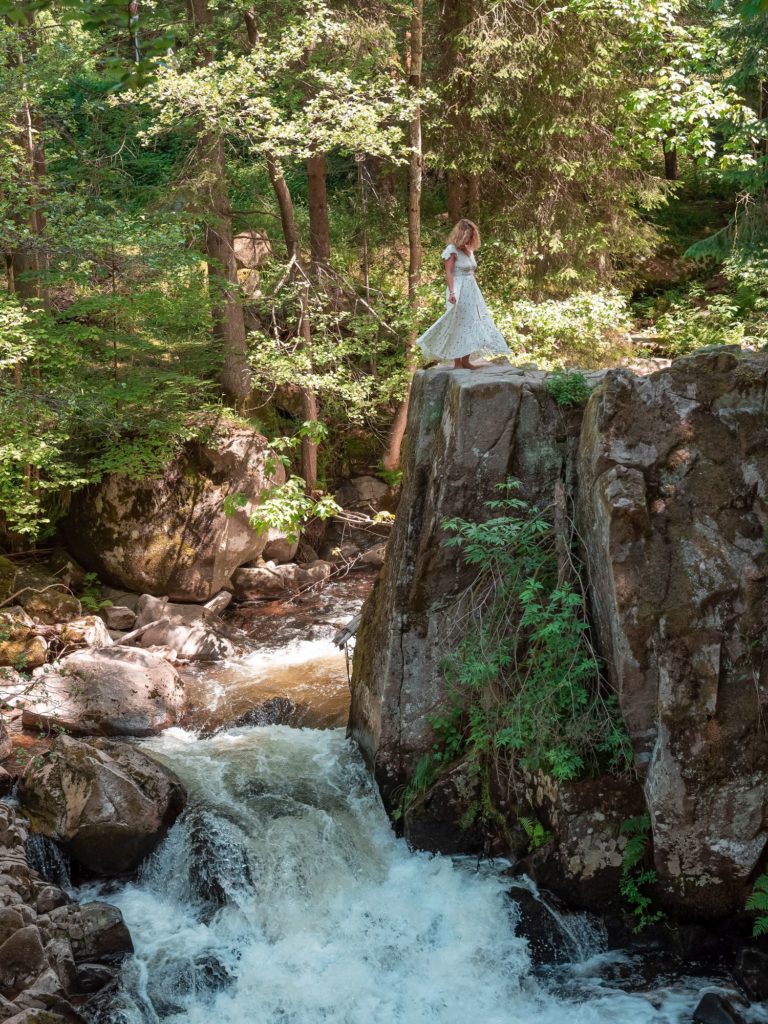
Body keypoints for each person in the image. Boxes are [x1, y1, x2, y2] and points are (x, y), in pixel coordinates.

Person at [416, 219, 510, 369]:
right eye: (467, 235)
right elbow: (449, 273)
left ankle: (466, 361)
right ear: (460, 234)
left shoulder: (469, 250)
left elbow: (471, 272)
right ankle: (457, 363)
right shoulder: (451, 250)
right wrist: (452, 293)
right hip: (458, 288)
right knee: (457, 323)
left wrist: (476, 292)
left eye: (471, 235)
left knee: (471, 324)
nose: (469, 238)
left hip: (471, 290)